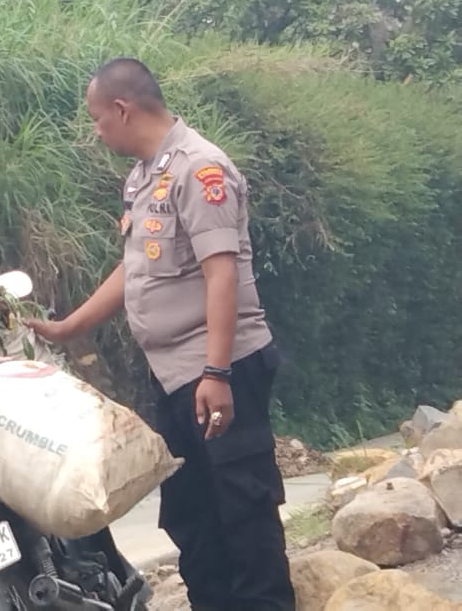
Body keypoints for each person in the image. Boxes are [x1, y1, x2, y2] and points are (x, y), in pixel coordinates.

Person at [26, 58, 296, 611]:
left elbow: (221, 273)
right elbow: (135, 270)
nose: (96, 132)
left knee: (241, 512)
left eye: (98, 120)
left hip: (221, 372)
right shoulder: (144, 178)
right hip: (175, 380)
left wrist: (217, 373)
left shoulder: (202, 170)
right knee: (193, 516)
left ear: (123, 110)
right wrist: (67, 326)